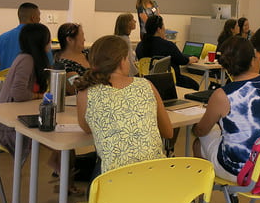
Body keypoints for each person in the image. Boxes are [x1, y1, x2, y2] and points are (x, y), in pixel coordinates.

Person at [74, 35, 173, 174]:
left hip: (116, 183)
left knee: (99, 166)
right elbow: (168, 132)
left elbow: (87, 128)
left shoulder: (85, 93)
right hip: (155, 175)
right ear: (122, 61)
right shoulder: (146, 84)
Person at [193, 36, 260, 182]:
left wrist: (194, 129)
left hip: (237, 169)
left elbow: (202, 130)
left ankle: (203, 198)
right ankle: (228, 194)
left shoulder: (222, 95)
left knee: (198, 142)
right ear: (253, 60)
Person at [0, 23, 51, 158]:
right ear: (39, 42)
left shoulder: (30, 58)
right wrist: (39, 96)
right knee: (57, 139)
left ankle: (62, 170)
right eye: (48, 39)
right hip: (9, 126)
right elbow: (18, 93)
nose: (50, 43)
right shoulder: (27, 60)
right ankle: (62, 171)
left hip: (21, 115)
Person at [136, 15, 200, 90]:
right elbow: (182, 60)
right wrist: (190, 59)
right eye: (163, 27)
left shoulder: (140, 45)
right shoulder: (168, 45)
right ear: (159, 29)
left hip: (148, 81)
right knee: (195, 85)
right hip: (170, 80)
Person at [0, 2, 52, 71]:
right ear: (33, 18)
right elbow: (49, 62)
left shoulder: (2, 37)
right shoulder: (40, 38)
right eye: (39, 16)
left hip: (6, 80)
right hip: (29, 80)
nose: (40, 19)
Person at [55, 23, 90, 94]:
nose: (84, 39)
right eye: (82, 36)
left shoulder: (90, 53)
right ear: (69, 40)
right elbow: (76, 88)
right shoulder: (64, 65)